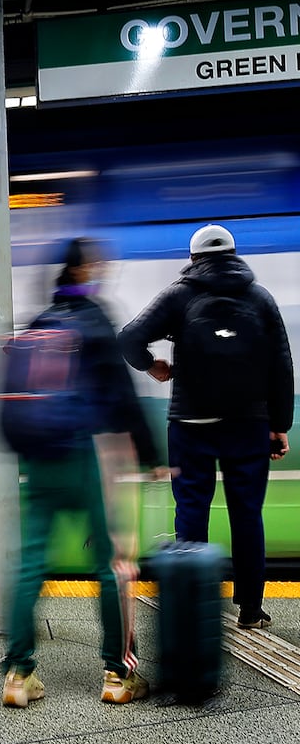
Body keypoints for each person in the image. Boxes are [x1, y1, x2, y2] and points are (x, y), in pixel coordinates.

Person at [1, 238, 162, 709]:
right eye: (96, 265)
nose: (102, 271)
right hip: (89, 456)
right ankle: (117, 673)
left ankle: (18, 673)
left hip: (39, 457)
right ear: (82, 271)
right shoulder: (95, 320)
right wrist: (151, 455)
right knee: (112, 562)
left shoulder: (39, 323)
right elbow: (124, 396)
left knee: (31, 561)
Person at [119, 223, 293, 629]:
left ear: (194, 258)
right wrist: (279, 424)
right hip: (249, 423)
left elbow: (128, 340)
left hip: (190, 423)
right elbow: (281, 366)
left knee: (192, 512)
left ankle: (191, 611)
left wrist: (155, 367)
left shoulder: (179, 295)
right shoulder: (260, 297)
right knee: (248, 515)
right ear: (235, 254)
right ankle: (250, 610)